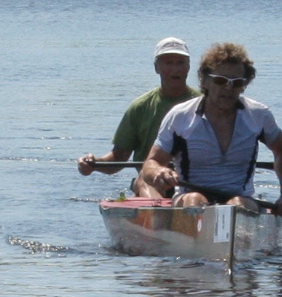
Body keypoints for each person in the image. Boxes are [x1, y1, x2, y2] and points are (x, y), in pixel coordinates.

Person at [138, 42, 282, 219]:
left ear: (244, 85)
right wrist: (158, 172)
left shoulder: (258, 115)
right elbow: (151, 163)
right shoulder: (181, 116)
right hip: (189, 196)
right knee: (195, 199)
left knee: (237, 205)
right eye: (221, 81)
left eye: (237, 83)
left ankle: (232, 233)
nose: (228, 88)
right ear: (205, 80)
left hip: (240, 198)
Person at [77, 36, 197, 195]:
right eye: (168, 63)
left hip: (193, 182)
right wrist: (93, 164)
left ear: (188, 66)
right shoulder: (140, 107)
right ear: (157, 67)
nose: (175, 69)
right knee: (143, 179)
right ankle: (154, 207)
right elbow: (119, 157)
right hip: (151, 181)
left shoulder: (205, 104)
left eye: (180, 63)